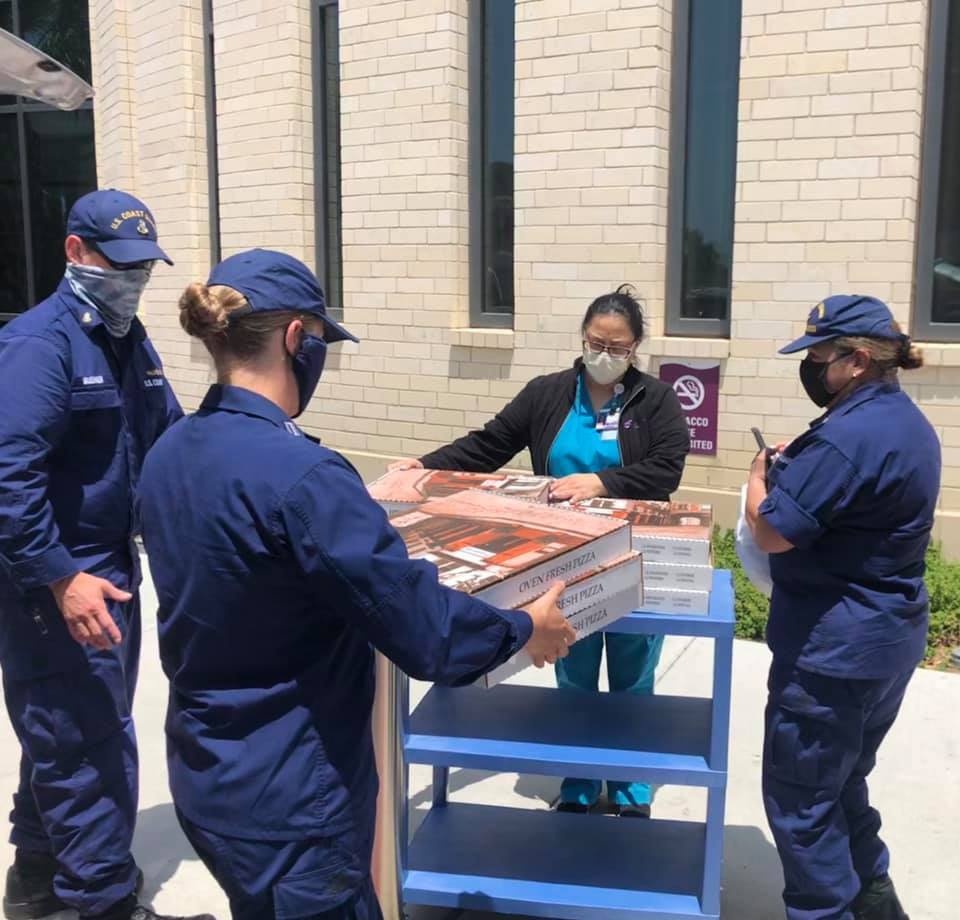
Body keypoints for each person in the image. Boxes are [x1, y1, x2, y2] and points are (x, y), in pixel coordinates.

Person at [136, 248, 576, 920]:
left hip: (210, 775)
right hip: (295, 801)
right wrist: (525, 630)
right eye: (319, 342)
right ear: (294, 339)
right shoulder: (304, 476)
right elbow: (425, 633)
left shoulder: (168, 452)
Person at [389, 285, 690, 817]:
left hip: (628, 552)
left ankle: (629, 782)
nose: (604, 355)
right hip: (561, 554)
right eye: (596, 342)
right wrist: (424, 465)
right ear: (582, 338)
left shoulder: (656, 401)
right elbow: (488, 444)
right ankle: (576, 777)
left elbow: (667, 469)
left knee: (632, 668)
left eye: (617, 348)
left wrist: (601, 482)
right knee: (571, 665)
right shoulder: (548, 393)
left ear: (636, 348)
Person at [0, 190, 211, 920]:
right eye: (118, 264)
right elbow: (8, 478)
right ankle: (100, 901)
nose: (133, 279)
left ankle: (35, 880)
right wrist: (61, 579)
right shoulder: (40, 345)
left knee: (60, 735)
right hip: (57, 583)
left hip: (110, 571)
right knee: (88, 744)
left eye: (144, 265)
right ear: (75, 253)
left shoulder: (127, 339)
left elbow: (170, 435)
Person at [746, 295, 940, 920]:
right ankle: (877, 904)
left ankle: (826, 910)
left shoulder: (848, 437)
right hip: (885, 641)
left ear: (856, 360)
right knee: (842, 783)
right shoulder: (905, 421)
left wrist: (758, 484)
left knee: (803, 803)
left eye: (819, 356)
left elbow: (775, 531)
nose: (811, 367)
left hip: (834, 653)